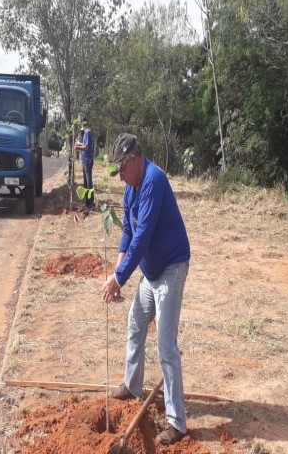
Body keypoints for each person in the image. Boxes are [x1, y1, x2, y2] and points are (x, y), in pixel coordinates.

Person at [101, 133, 190, 446]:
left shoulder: (153, 181)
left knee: (165, 344)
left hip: (171, 267)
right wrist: (116, 271)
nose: (121, 175)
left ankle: (177, 423)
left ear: (134, 160)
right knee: (135, 324)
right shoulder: (131, 188)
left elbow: (142, 237)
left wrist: (120, 278)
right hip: (151, 273)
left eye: (122, 168)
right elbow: (127, 232)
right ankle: (132, 386)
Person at [74, 119, 95, 210]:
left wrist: (77, 147)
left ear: (83, 126)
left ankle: (91, 203)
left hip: (87, 161)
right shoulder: (87, 133)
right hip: (85, 161)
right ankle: (87, 203)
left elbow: (86, 147)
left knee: (88, 183)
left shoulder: (87, 132)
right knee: (86, 183)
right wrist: (79, 143)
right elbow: (86, 144)